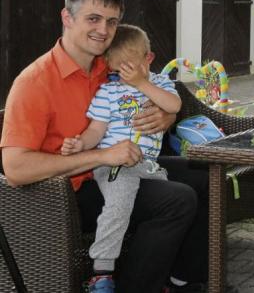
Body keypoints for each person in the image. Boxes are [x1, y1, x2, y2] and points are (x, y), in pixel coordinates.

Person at [0, 0, 209, 293]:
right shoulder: (34, 82)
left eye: (112, 22)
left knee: (205, 174)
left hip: (119, 165)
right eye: (93, 19)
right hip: (62, 195)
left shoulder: (107, 65)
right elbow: (16, 169)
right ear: (67, 18)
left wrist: (166, 117)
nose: (103, 30)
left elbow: (153, 93)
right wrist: (101, 155)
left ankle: (184, 279)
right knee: (176, 200)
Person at [60, 24, 181, 292]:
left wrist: (142, 83)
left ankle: (164, 275)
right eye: (116, 72)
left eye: (129, 70)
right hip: (114, 165)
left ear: (148, 59)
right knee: (118, 205)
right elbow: (95, 130)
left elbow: (174, 105)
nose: (122, 79)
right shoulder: (109, 92)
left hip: (148, 166)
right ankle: (102, 271)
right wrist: (80, 144)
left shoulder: (160, 83)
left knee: (171, 208)